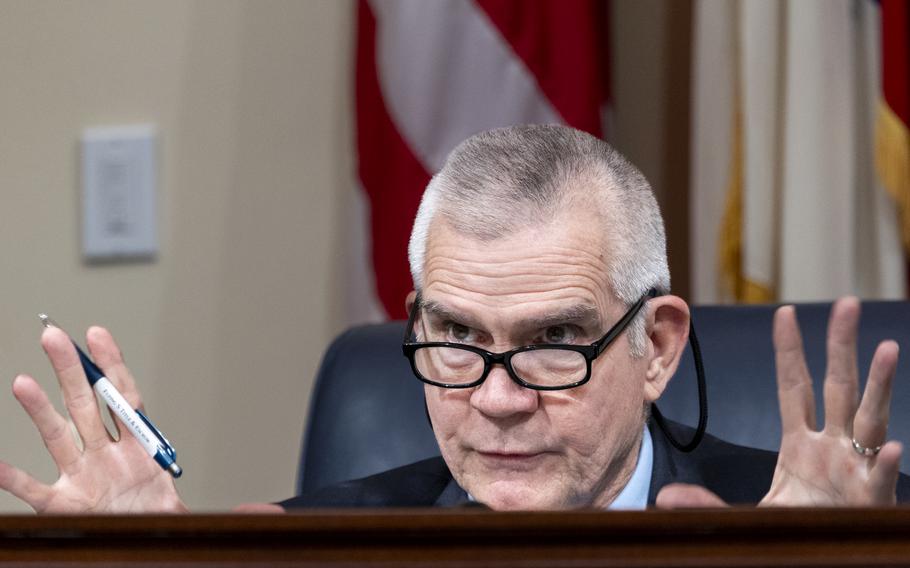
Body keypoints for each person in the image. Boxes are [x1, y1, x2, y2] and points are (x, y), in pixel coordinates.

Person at [1, 125, 906, 512]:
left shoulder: (815, 525)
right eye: (460, 338)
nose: (498, 402)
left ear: (656, 345)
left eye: (554, 342)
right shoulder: (313, 555)